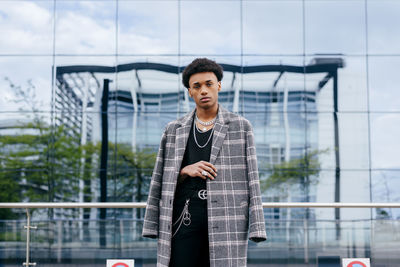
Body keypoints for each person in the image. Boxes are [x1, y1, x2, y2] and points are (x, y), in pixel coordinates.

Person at [142, 58, 267, 267]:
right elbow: (158, 180)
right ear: (190, 92)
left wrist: (257, 227)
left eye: (209, 84)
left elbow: (253, 180)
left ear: (218, 85)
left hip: (227, 216)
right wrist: (184, 171)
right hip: (184, 215)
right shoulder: (173, 129)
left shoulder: (241, 127)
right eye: (196, 86)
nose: (203, 91)